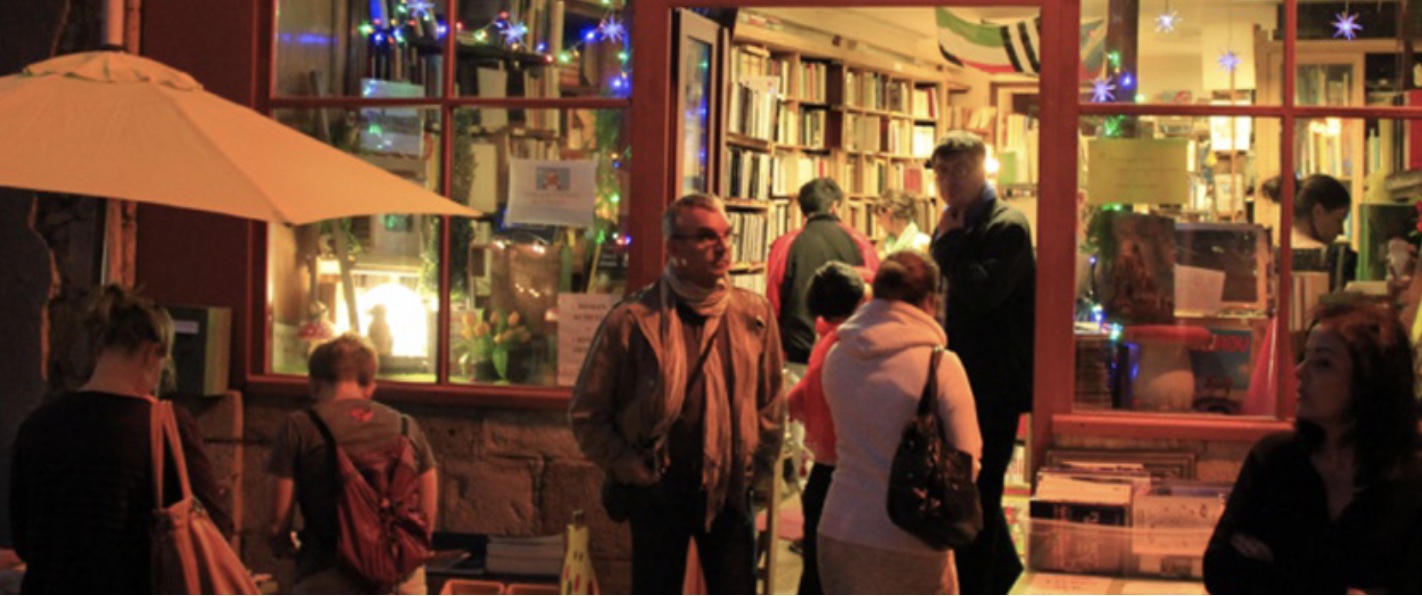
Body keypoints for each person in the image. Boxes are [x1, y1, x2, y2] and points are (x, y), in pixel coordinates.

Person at [570, 193, 785, 594]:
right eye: (705, 237)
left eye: (726, 235)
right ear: (673, 248)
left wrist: (757, 469)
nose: (722, 247)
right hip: (660, 486)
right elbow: (587, 412)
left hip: (728, 487)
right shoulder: (634, 320)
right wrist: (629, 467)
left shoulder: (753, 315)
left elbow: (771, 404)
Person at [9, 285, 233, 593]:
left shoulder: (38, 425)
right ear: (152, 352)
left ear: (100, 348)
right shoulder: (165, 426)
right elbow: (216, 530)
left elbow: (23, 539)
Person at [1204, 300, 1422, 594]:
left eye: (1323, 363)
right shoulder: (1275, 461)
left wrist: (1276, 569)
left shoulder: (1411, 479)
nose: (1299, 371)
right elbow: (1221, 571)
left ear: (1369, 381)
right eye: (1305, 357)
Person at [818, 251, 982, 594]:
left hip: (840, 526)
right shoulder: (941, 365)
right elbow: (968, 457)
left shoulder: (838, 355)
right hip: (912, 535)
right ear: (930, 301)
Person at [928, 131, 1035, 594]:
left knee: (979, 491)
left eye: (960, 171)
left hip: (992, 383)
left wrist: (949, 245)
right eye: (941, 172)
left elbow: (982, 292)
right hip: (959, 377)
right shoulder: (956, 222)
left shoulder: (1006, 226)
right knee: (968, 492)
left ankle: (979, 587)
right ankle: (1002, 577)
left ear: (981, 170)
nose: (948, 181)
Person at [266, 333, 439, 594]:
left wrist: (286, 548)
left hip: (327, 577)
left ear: (313, 383)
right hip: (402, 579)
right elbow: (427, 518)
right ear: (370, 385)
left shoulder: (300, 428)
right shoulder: (408, 427)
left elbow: (276, 523)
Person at [786, 261, 867, 594]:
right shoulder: (851, 345)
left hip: (823, 465)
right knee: (834, 572)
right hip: (846, 468)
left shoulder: (823, 342)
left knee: (817, 568)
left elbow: (799, 396)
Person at [767, 178, 879, 384]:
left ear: (802, 209)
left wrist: (777, 352)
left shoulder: (785, 244)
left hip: (800, 355)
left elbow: (773, 303)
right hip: (850, 351)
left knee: (801, 404)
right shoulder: (859, 241)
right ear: (835, 206)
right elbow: (876, 295)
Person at [873, 190, 932, 258]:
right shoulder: (880, 245)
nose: (877, 221)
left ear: (889, 213)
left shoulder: (923, 244)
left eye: (879, 215)